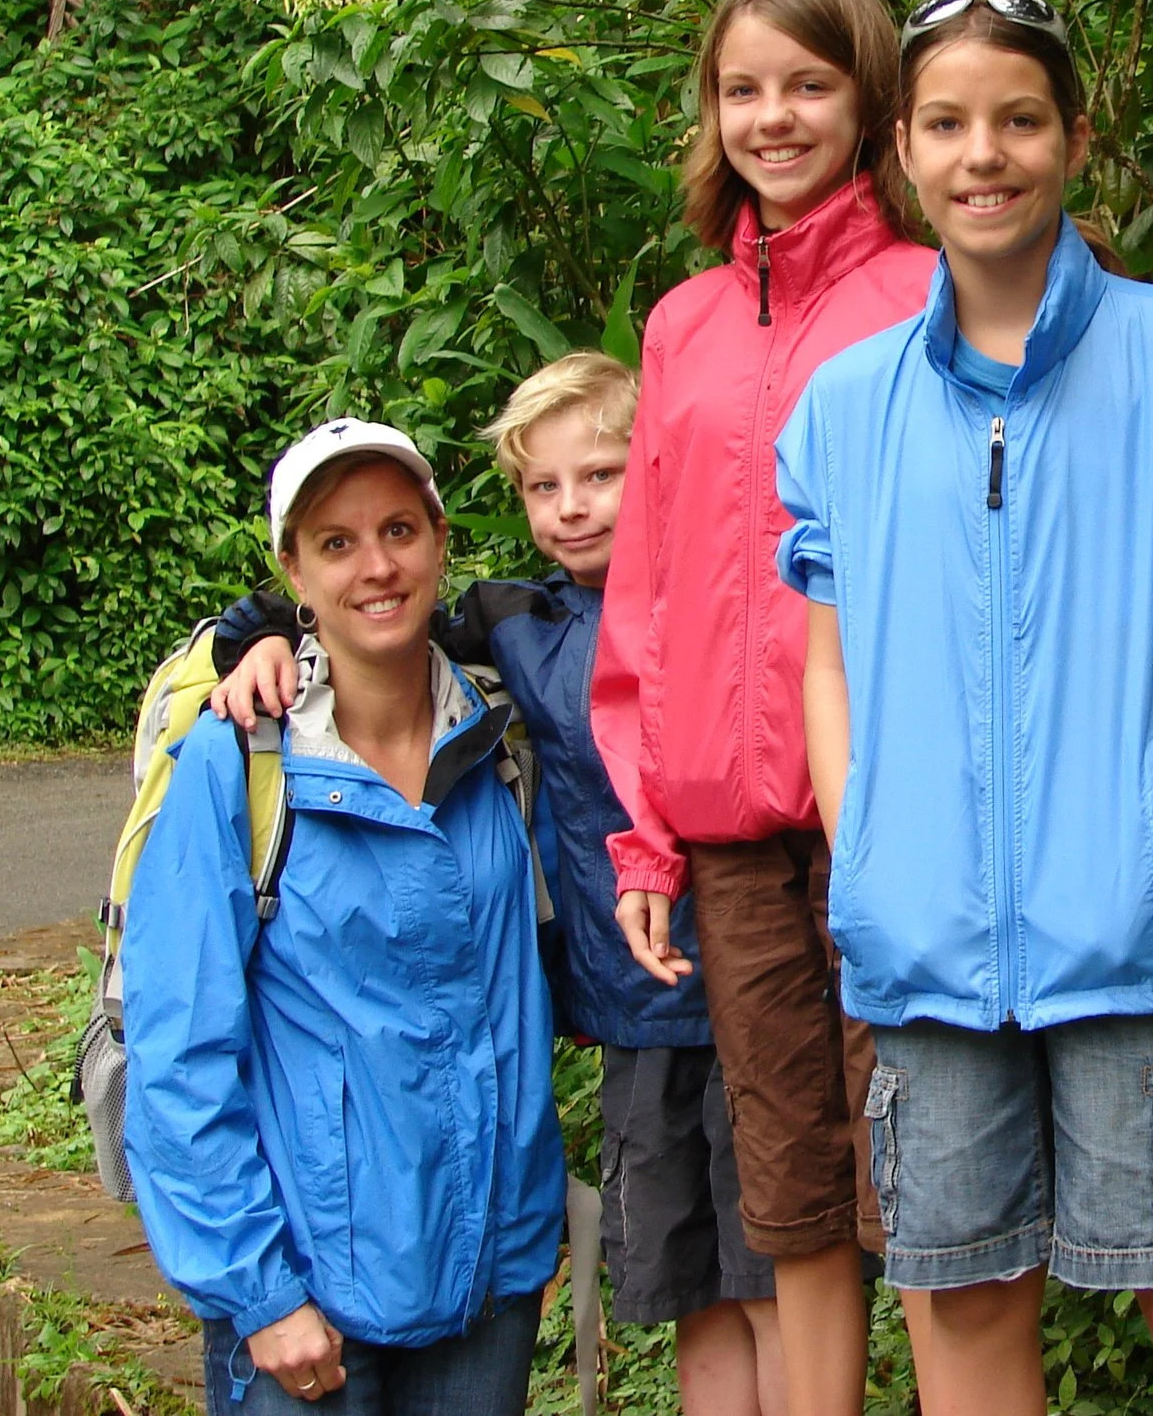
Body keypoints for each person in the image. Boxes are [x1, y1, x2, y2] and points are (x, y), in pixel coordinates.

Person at [775, 0, 1153, 1416]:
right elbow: (827, 649)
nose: (981, 153)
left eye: (1017, 118)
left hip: (1135, 925)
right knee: (960, 1295)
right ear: (902, 144)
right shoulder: (845, 399)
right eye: (947, 123)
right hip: (926, 934)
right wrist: (857, 839)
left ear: (1073, 137)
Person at [205, 354, 786, 1414]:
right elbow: (366, 612)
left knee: (776, 1279)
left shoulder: (730, 596)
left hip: (756, 991)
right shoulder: (517, 623)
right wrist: (250, 643)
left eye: (601, 477)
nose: (571, 510)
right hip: (634, 1017)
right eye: (542, 488)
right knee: (689, 1284)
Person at [592, 0, 934, 1416]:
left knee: (923, 1177)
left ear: (868, 101)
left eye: (808, 83)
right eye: (744, 88)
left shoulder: (932, 291)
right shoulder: (683, 323)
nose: (774, 116)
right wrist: (648, 833)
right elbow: (649, 593)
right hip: (730, 830)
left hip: (898, 816)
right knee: (789, 1187)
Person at [122, 419, 564, 1413]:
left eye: (399, 531)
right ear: (294, 572)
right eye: (336, 542)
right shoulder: (236, 766)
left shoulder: (502, 740)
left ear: (441, 543)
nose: (376, 566)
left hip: (489, 1279)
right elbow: (178, 1050)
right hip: (304, 1299)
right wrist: (258, 1291)